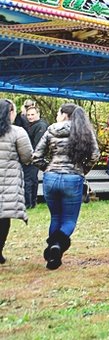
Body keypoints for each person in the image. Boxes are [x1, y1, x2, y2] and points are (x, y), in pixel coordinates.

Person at [31, 102, 101, 269]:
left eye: (58, 112)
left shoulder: (51, 130)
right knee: (69, 219)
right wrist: (82, 170)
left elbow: (36, 157)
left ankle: (54, 256)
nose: (57, 115)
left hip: (51, 178)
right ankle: (56, 246)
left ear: (64, 114)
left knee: (56, 217)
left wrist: (48, 168)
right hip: (72, 177)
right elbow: (95, 155)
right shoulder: (84, 131)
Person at [0, 99, 33, 264]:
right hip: (8, 181)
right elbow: (27, 157)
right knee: (3, 218)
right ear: (10, 113)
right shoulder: (18, 132)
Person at [23, 105, 48, 209]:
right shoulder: (31, 125)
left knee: (28, 180)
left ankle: (29, 203)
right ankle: (32, 202)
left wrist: (29, 158)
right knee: (32, 180)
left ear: (38, 114)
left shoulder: (40, 126)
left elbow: (37, 145)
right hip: (32, 157)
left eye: (32, 114)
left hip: (33, 157)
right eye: (28, 115)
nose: (30, 117)